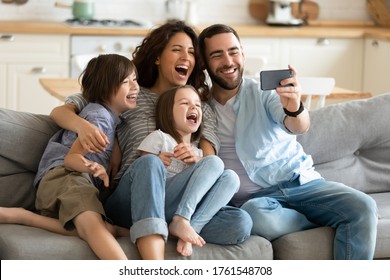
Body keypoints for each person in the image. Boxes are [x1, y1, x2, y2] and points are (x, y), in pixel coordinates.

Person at [49, 21, 252, 260]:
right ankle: (155, 241)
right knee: (150, 163)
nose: (185, 57)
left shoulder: (199, 105)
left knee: (240, 222)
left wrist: (194, 157)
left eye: (191, 52)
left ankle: (181, 225)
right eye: (177, 49)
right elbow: (62, 111)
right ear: (157, 57)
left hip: (178, 199)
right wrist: (94, 133)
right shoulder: (129, 93)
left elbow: (211, 161)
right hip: (132, 193)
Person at [198, 23, 378, 260]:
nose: (228, 61)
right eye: (217, 55)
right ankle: (315, 220)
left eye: (233, 51)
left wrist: (294, 106)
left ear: (242, 53)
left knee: (364, 206)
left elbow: (299, 125)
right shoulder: (200, 107)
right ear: (205, 62)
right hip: (258, 202)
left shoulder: (263, 92)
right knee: (254, 215)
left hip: (301, 183)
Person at [0, 54, 139, 260]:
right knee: (94, 227)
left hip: (62, 184)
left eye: (135, 79)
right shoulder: (99, 117)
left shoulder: (109, 119)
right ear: (105, 88)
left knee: (98, 228)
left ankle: (22, 216)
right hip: (68, 176)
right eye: (126, 82)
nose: (135, 87)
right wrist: (92, 167)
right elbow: (71, 159)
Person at [138, 85, 239, 256]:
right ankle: (181, 221)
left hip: (189, 209)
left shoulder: (199, 153)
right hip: (159, 202)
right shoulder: (160, 137)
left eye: (198, 105)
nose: (194, 107)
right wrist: (157, 160)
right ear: (168, 113)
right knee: (214, 162)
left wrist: (199, 162)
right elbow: (141, 170)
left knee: (232, 177)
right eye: (185, 103)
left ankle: (189, 229)